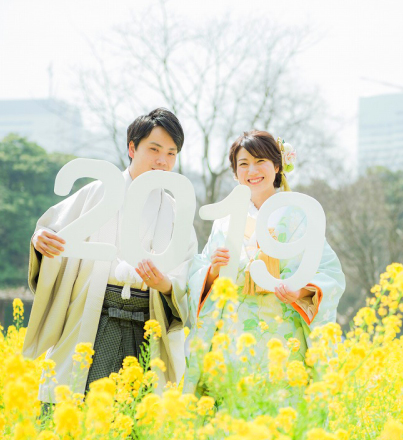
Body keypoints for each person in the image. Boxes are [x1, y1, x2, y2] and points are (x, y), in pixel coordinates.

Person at [23, 108, 197, 406]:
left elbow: (188, 274)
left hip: (148, 320)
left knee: (136, 418)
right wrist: (41, 240)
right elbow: (53, 231)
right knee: (79, 407)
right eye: (154, 149)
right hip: (94, 315)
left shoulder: (175, 211)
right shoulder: (98, 193)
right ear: (132, 148)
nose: (162, 161)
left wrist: (167, 286)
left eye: (171, 153)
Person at [186, 130, 345, 390]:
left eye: (261, 161)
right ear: (235, 173)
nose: (252, 170)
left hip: (284, 335)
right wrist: (213, 271)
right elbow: (200, 273)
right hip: (233, 336)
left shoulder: (299, 217)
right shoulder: (225, 219)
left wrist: (301, 291)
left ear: (278, 166)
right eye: (244, 164)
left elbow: (329, 274)